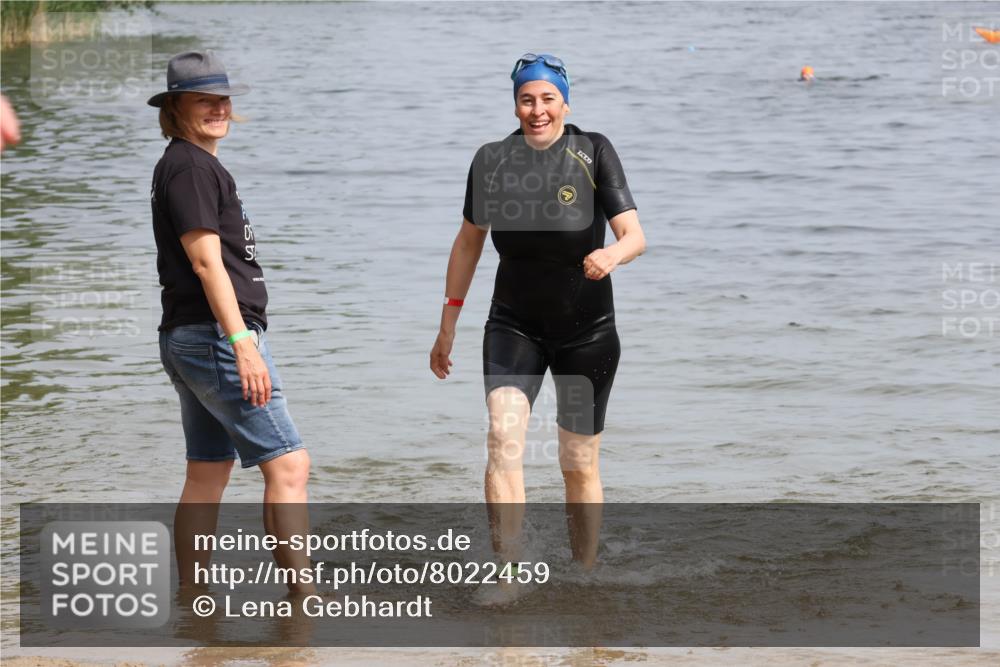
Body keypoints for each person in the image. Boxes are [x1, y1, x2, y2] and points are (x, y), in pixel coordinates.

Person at [430, 53, 646, 586]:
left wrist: (612, 255)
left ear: (565, 102)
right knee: (502, 437)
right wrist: (447, 322)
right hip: (514, 326)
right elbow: (467, 244)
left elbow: (635, 236)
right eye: (527, 98)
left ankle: (586, 574)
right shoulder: (492, 160)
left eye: (548, 98)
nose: (537, 109)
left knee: (576, 463)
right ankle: (506, 575)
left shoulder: (593, 151)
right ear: (515, 104)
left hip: (586, 334)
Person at [148, 51, 312, 594]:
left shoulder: (184, 163)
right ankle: (303, 597)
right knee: (289, 466)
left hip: (189, 336)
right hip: (216, 337)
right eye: (204, 100)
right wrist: (241, 342)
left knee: (207, 471)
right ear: (176, 108)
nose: (219, 108)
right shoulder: (192, 167)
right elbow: (204, 261)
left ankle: (195, 598)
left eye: (224, 98)